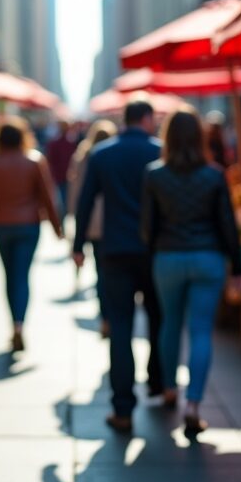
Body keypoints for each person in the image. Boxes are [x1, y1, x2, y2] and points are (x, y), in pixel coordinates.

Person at [141, 108, 241, 436]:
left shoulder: (154, 174)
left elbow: (147, 228)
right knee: (201, 331)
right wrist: (238, 267)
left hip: (168, 258)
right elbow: (228, 225)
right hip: (208, 258)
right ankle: (194, 404)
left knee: (170, 323)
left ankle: (170, 388)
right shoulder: (215, 175)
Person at [72, 99, 165, 433]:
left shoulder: (103, 154)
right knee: (158, 319)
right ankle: (159, 382)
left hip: (114, 250)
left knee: (121, 327)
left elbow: (84, 202)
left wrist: (78, 244)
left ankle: (123, 407)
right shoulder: (159, 151)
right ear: (147, 118)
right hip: (154, 251)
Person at [0, 117, 64, 352]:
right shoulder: (34, 161)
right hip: (28, 226)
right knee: (22, 275)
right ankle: (19, 324)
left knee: (9, 276)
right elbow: (48, 197)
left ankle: (14, 324)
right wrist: (57, 227)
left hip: (1, 225)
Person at [67, 119, 119, 317]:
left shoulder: (81, 157)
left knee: (100, 269)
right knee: (110, 271)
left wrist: (75, 216)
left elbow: (75, 191)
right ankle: (109, 312)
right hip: (111, 220)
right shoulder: (113, 157)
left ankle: (105, 313)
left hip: (90, 221)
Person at [45, 121, 80, 214]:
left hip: (59, 176)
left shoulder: (56, 143)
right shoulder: (70, 143)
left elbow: (50, 160)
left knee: (61, 200)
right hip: (65, 176)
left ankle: (63, 216)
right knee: (64, 199)